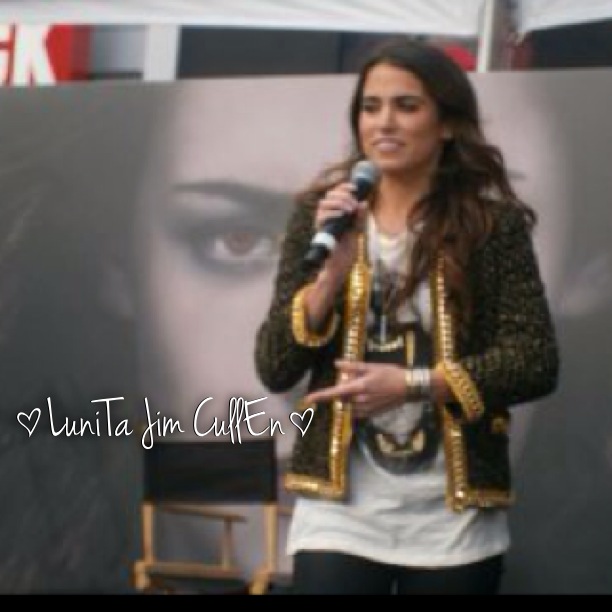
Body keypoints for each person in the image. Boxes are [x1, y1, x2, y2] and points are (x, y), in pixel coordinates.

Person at [254, 36, 560, 595]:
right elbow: (275, 366)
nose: (384, 123)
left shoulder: (491, 227)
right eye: (371, 107)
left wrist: (413, 385)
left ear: (447, 124)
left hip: (452, 519)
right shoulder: (323, 216)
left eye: (407, 106)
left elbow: (533, 360)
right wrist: (330, 278)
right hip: (339, 513)